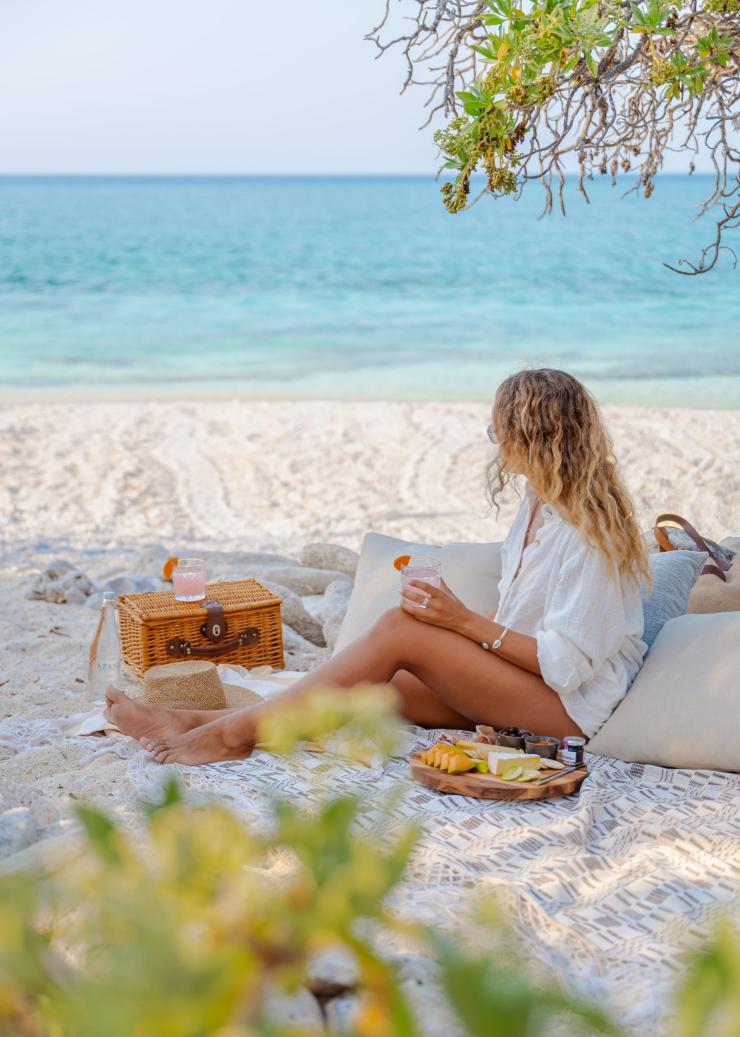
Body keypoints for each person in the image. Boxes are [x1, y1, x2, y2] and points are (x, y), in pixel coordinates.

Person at [107, 368, 649, 766]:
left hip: (570, 710)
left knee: (398, 629)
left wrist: (462, 624)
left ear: (531, 440)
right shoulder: (537, 506)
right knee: (372, 689)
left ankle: (228, 739)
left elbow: (566, 666)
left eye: (497, 433)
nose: (496, 447)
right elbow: (525, 616)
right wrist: (464, 632)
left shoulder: (588, 536)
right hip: (528, 684)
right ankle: (195, 722)